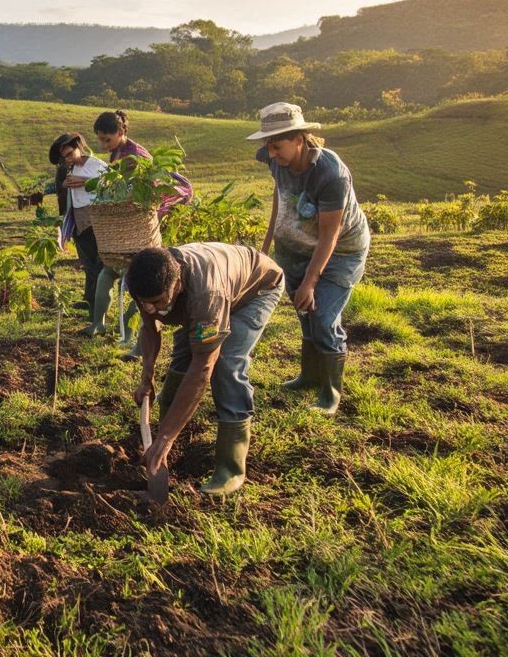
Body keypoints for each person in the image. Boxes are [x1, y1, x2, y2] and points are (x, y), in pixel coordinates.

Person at [129, 244, 283, 496]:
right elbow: (149, 328)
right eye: (144, 303)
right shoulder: (142, 278)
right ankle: (167, 432)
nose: (149, 309)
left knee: (225, 364)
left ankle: (230, 468)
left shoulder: (206, 295)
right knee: (182, 357)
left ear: (177, 283)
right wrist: (147, 377)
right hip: (214, 288)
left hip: (255, 290)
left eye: (156, 302)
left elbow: (203, 368)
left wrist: (165, 439)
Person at [249, 102, 370, 415]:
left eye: (277, 146)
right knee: (304, 312)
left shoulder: (331, 175)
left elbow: (329, 236)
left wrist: (311, 281)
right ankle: (308, 377)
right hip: (294, 247)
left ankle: (331, 394)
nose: (271, 153)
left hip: (340, 251)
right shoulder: (274, 158)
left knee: (323, 317)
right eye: (268, 146)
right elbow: (279, 196)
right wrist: (264, 251)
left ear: (299, 139)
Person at [93, 110, 195, 357]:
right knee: (107, 273)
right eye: (100, 140)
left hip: (140, 232)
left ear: (122, 132)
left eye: (107, 139)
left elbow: (166, 189)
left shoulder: (138, 157)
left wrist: (158, 208)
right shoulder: (117, 154)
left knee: (138, 284)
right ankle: (98, 324)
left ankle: (134, 340)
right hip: (122, 232)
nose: (103, 145)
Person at [49, 133, 109, 334]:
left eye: (70, 153)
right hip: (79, 223)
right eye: (64, 157)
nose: (68, 158)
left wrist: (86, 182)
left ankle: (97, 317)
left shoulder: (95, 164)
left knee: (100, 269)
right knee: (89, 266)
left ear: (79, 147)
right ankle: (92, 311)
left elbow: (110, 185)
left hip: (97, 221)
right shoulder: (68, 169)